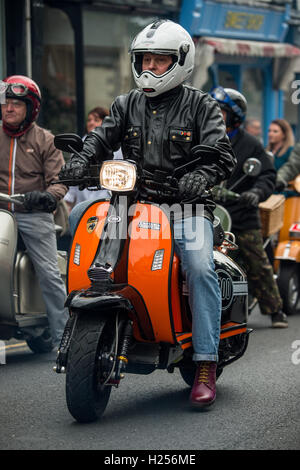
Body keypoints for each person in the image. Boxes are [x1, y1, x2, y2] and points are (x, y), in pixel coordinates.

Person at [59, 19, 236, 409]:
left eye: (160, 60)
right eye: (145, 60)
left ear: (181, 61)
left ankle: (205, 361)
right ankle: (86, 313)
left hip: (184, 206)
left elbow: (223, 156)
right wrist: (81, 161)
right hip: (132, 204)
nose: (150, 68)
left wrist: (201, 174)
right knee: (79, 220)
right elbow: (100, 139)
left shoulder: (201, 105)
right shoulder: (126, 104)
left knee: (199, 267)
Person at [0, 75, 69, 352]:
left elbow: (61, 181)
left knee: (50, 274)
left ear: (31, 108)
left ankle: (64, 338)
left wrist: (47, 196)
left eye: (16, 104)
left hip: (32, 213)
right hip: (1, 211)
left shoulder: (45, 140)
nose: (9, 109)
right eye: (6, 104)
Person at [210, 86, 288, 328]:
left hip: (241, 212)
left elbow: (267, 175)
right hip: (210, 211)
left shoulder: (251, 144)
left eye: (221, 111)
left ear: (234, 116)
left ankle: (275, 310)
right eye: (213, 110)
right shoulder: (205, 139)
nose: (216, 115)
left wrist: (256, 193)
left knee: (257, 261)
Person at [64, 106, 123, 235]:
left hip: (109, 204)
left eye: (96, 120)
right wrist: (68, 202)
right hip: (83, 205)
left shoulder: (117, 146)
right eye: (89, 120)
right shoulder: (80, 144)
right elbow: (73, 179)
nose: (91, 123)